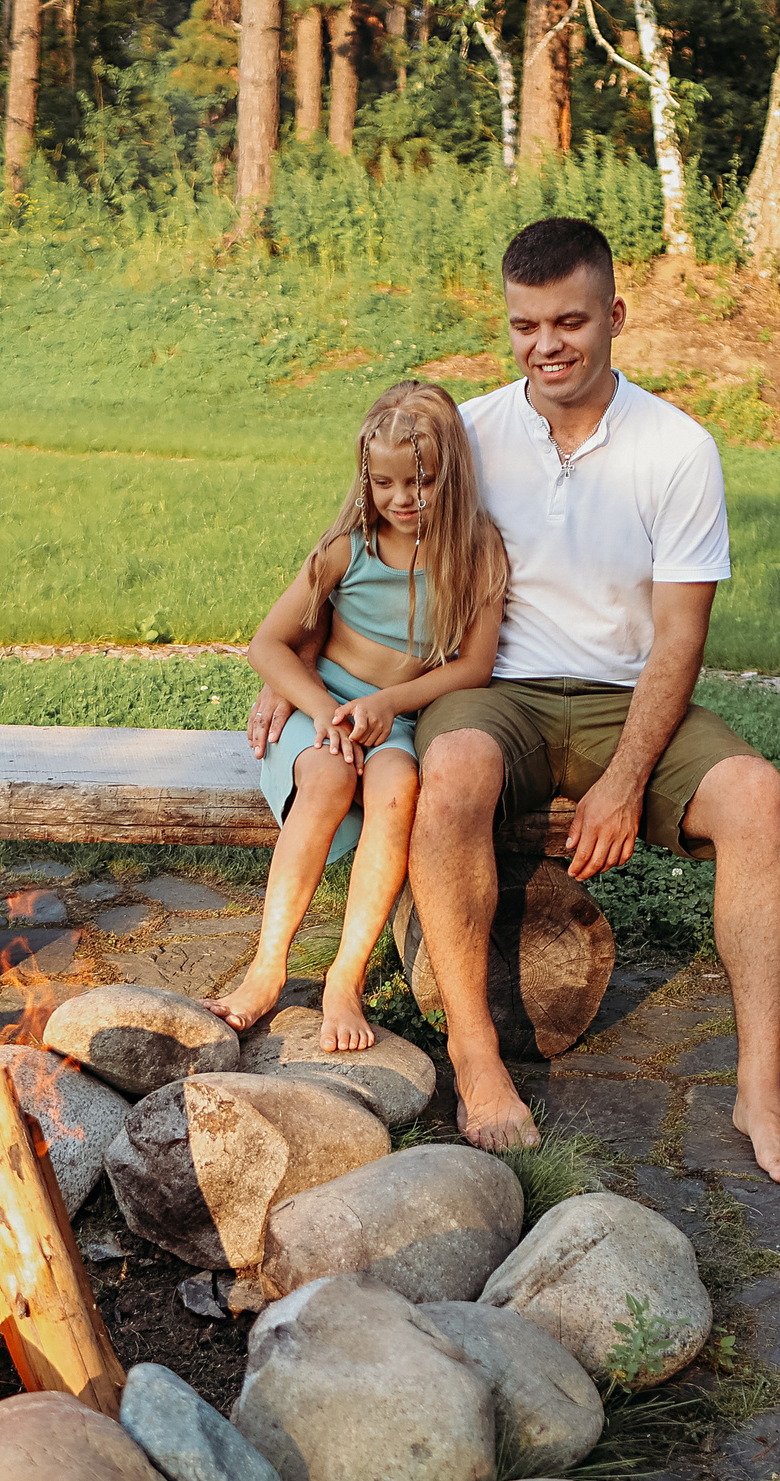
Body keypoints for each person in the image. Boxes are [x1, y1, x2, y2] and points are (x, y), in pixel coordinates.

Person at [250, 217, 780, 1185]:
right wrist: (291, 682)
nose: (546, 345)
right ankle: (476, 1061)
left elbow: (680, 638)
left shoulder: (677, 450)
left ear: (614, 315)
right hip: (498, 695)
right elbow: (356, 544)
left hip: (625, 698)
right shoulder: (468, 433)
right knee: (453, 769)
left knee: (754, 797)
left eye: (568, 321)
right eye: (525, 326)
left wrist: (623, 782)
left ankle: (760, 1087)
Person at [206, 380, 510, 1051]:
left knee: (397, 787)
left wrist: (387, 704)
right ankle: (268, 965)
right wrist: (321, 708)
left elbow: (474, 666)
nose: (401, 499)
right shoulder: (350, 547)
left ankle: (346, 975)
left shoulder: (478, 553)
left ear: (450, 474)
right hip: (321, 712)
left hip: (395, 718)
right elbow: (268, 643)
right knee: (328, 781)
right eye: (384, 482)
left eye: (420, 482)